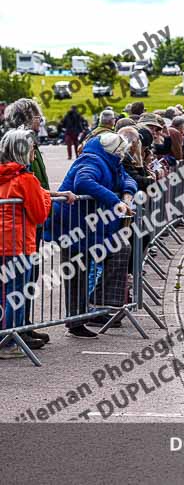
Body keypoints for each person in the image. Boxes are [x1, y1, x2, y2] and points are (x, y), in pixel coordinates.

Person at [47, 133, 137, 339]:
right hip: (73, 226)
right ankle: (77, 321)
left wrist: (127, 194)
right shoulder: (92, 160)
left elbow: (127, 178)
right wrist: (115, 201)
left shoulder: (110, 161)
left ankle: (96, 303)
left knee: (120, 248)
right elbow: (83, 182)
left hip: (90, 227)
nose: (124, 156)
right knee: (77, 273)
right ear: (115, 151)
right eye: (122, 152)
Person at [0, 130, 53, 358]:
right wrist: (46, 197)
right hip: (19, 244)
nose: (34, 152)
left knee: (4, 293)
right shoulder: (26, 179)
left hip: (4, 242)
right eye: (32, 149)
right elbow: (40, 214)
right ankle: (9, 342)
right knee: (17, 293)